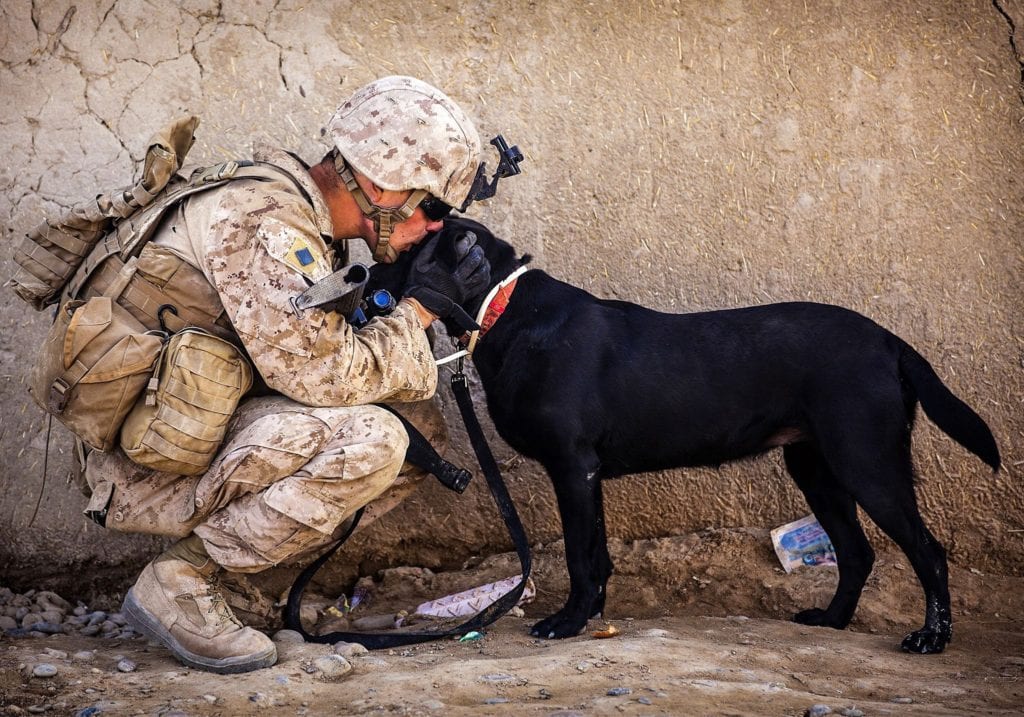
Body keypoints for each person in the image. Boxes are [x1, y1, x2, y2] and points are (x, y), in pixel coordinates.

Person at [79, 76, 494, 673]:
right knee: (378, 440)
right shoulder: (265, 224)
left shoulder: (293, 209)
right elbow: (325, 376)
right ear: (380, 184)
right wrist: (419, 311)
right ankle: (183, 580)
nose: (434, 227)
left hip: (181, 423)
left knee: (418, 431)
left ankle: (225, 576)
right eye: (432, 208)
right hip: (142, 462)